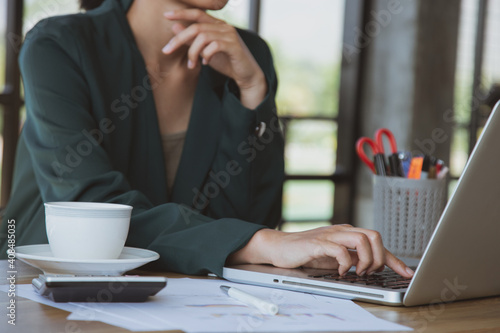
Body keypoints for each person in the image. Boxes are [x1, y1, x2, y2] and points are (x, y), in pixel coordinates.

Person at [0, 0, 414, 279]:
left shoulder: (246, 54)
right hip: (41, 286)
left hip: (185, 293)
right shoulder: (58, 46)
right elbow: (92, 209)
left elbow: (251, 214)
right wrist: (260, 243)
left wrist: (251, 90)